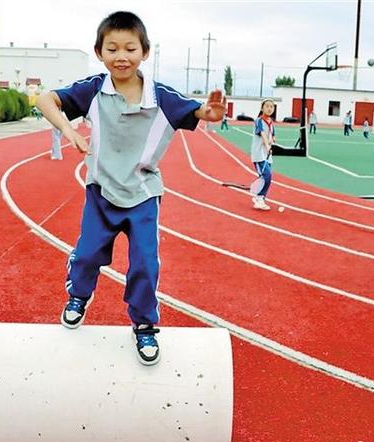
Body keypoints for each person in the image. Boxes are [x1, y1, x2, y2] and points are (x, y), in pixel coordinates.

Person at [35, 11, 225, 366]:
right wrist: (70, 130)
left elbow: (199, 113)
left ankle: (144, 325)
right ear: (99, 52)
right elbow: (45, 100)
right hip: (101, 191)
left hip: (143, 195)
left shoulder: (163, 98)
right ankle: (78, 293)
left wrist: (210, 114)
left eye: (130, 48)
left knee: (145, 264)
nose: (121, 56)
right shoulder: (93, 90)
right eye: (112, 48)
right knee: (89, 254)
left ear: (145, 53)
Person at [250, 98, 275, 211]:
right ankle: (259, 198)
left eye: (271, 106)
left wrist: (272, 142)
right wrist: (268, 145)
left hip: (267, 155)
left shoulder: (271, 122)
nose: (269, 108)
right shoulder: (258, 121)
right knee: (267, 175)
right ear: (262, 108)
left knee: (267, 177)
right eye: (267, 106)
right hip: (259, 154)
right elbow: (263, 135)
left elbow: (272, 136)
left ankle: (260, 197)